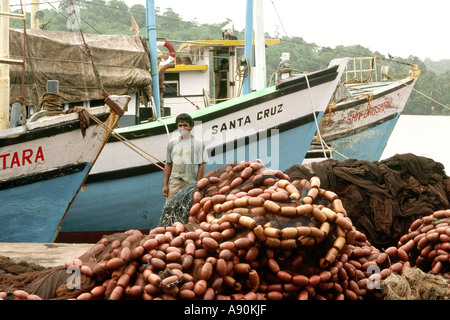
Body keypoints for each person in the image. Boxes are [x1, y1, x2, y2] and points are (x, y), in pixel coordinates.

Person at [163, 113, 209, 203]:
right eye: (180, 125)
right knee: (169, 208)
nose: (182, 128)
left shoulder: (199, 143)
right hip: (175, 183)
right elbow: (168, 164)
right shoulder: (172, 143)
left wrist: (198, 184)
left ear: (191, 127)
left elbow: (201, 165)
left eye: (185, 125)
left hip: (191, 182)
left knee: (189, 208)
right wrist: (165, 185)